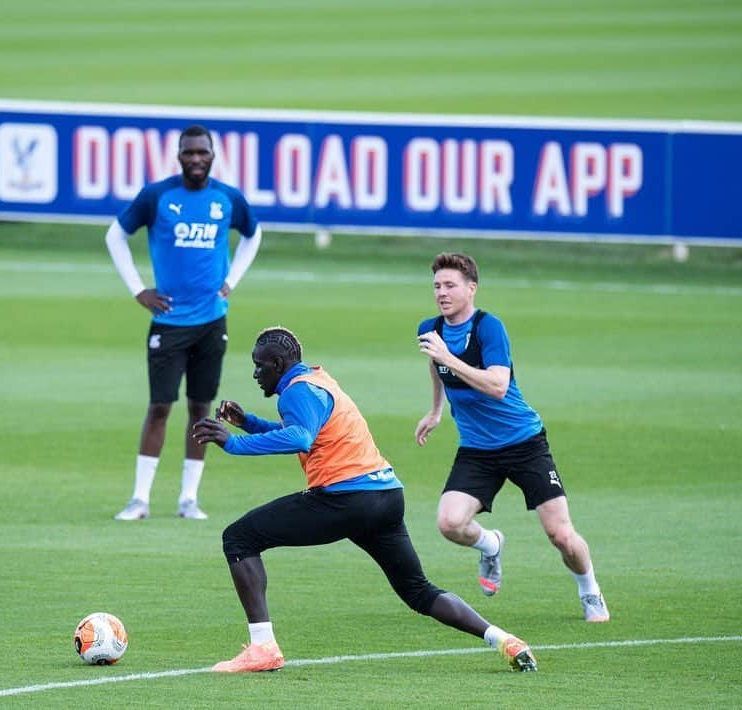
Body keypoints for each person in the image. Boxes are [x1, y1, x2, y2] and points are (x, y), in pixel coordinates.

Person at [192, 327, 537, 673]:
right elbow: (307, 429)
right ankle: (503, 639)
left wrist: (232, 444)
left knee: (238, 538)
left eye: (259, 366)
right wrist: (248, 423)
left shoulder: (295, 393)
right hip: (385, 496)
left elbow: (300, 437)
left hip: (347, 500)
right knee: (418, 591)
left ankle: (263, 647)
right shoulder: (317, 380)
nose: (255, 374)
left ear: (279, 364)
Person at [414, 252, 609, 622]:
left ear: (471, 289)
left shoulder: (489, 328)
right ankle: (491, 544)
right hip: (477, 450)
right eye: (437, 285)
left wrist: (448, 358)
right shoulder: (432, 329)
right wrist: (436, 410)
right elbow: (434, 363)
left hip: (524, 443)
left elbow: (498, 386)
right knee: (449, 523)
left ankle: (590, 590)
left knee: (561, 536)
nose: (441, 292)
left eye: (450, 285)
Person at [106, 124, 262, 521]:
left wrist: (232, 281)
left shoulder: (227, 199)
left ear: (212, 156)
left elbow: (253, 234)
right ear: (178, 156)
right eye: (188, 153)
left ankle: (188, 499)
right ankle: (140, 499)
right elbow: (115, 236)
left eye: (202, 152)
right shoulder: (158, 196)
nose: (196, 159)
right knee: (159, 407)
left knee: (200, 407)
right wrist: (139, 290)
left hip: (212, 321)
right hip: (169, 322)